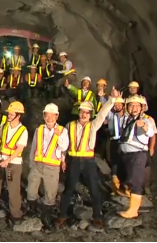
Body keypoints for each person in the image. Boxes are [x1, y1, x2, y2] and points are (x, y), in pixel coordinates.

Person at [55, 87, 120, 229]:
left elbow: (102, 114)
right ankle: (62, 215)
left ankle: (98, 216)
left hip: (88, 161)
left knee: (94, 189)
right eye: (82, 111)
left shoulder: (93, 125)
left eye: (87, 112)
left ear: (90, 115)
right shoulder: (69, 126)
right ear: (79, 112)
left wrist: (112, 100)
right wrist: (62, 159)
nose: (84, 114)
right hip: (73, 160)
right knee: (68, 189)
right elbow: (64, 144)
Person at [26, 103, 69, 230]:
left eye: (52, 116)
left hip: (52, 167)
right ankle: (32, 210)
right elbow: (34, 146)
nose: (49, 118)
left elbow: (64, 147)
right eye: (47, 115)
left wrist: (59, 136)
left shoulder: (62, 131)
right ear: (44, 115)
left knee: (50, 193)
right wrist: (31, 162)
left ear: (57, 116)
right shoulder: (39, 129)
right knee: (31, 189)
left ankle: (46, 216)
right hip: (38, 164)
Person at [0, 101, 28, 225]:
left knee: (13, 189)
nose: (8, 115)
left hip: (13, 163)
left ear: (18, 115)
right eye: (9, 113)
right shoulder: (4, 126)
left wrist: (8, 160)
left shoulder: (23, 131)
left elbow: (19, 148)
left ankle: (16, 214)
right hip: (0, 160)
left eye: (11, 114)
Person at [117, 95, 155, 219]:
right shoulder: (128, 120)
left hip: (138, 155)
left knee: (136, 181)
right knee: (126, 177)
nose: (134, 108)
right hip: (127, 155)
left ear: (142, 108)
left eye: (137, 106)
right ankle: (129, 197)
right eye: (131, 105)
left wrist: (143, 126)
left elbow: (150, 132)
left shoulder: (145, 120)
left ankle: (133, 210)